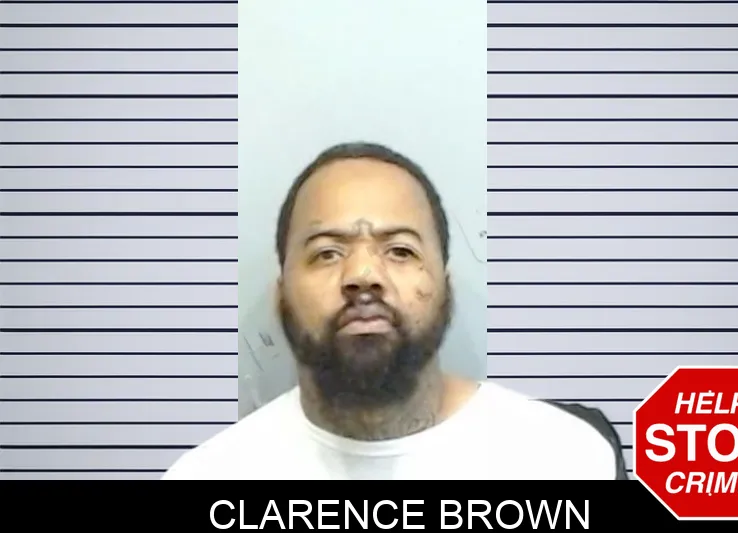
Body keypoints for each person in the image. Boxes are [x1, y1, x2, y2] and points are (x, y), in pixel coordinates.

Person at [163, 142, 624, 480]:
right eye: (326, 252)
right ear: (281, 295)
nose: (364, 274)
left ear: (444, 287)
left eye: (401, 250)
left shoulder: (569, 458)